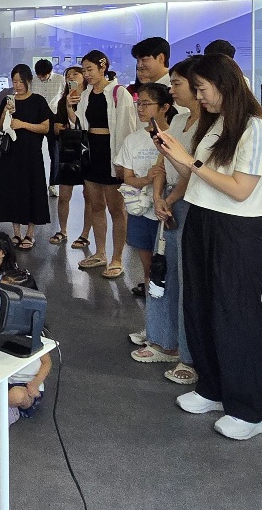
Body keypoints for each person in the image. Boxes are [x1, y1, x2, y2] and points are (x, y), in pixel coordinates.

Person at [155, 53, 262, 441]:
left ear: (224, 85)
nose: (197, 97)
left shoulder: (256, 128)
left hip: (236, 230)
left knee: (236, 315)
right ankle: (212, 388)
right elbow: (200, 178)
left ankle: (251, 410)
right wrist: (174, 155)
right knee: (200, 307)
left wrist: (189, 161)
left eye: (201, 89)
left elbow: (241, 190)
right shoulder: (217, 122)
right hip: (202, 219)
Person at [135, 59, 201, 385]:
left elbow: (195, 172)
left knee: (189, 281)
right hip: (170, 202)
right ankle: (164, 340)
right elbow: (163, 163)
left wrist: (170, 200)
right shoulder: (179, 121)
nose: (172, 90)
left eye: (177, 84)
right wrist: (160, 196)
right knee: (163, 273)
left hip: (189, 203)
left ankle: (189, 354)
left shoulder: (209, 127)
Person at [72, 50, 141, 280]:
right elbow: (79, 124)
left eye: (90, 69)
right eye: (84, 70)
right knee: (95, 205)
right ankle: (100, 252)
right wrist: (70, 105)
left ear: (103, 68)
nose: (87, 74)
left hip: (112, 154)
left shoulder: (119, 93)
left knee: (116, 209)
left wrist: (123, 162)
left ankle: (117, 258)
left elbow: (128, 128)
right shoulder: (86, 94)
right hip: (91, 153)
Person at [116, 83, 172, 303]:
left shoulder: (175, 136)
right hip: (141, 212)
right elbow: (128, 178)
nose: (140, 108)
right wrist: (148, 179)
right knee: (148, 268)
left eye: (146, 104)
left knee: (169, 268)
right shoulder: (133, 140)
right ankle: (152, 315)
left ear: (164, 107)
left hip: (168, 211)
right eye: (138, 103)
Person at [0, 64, 52, 248]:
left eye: (20, 81)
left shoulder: (38, 101)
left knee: (32, 190)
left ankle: (30, 234)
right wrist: (5, 112)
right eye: (14, 81)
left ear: (29, 81)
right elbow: (0, 126)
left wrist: (23, 124)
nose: (17, 85)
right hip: (11, 153)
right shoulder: (8, 100)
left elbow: (45, 127)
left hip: (32, 153)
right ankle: (16, 233)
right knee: (13, 191)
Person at [50, 66, 88, 246]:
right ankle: (63, 230)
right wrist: (59, 126)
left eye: (75, 74)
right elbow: (58, 126)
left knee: (90, 195)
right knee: (64, 194)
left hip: (87, 149)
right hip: (69, 150)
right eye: (68, 75)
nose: (71, 77)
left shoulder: (89, 97)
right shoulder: (63, 101)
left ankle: (85, 234)